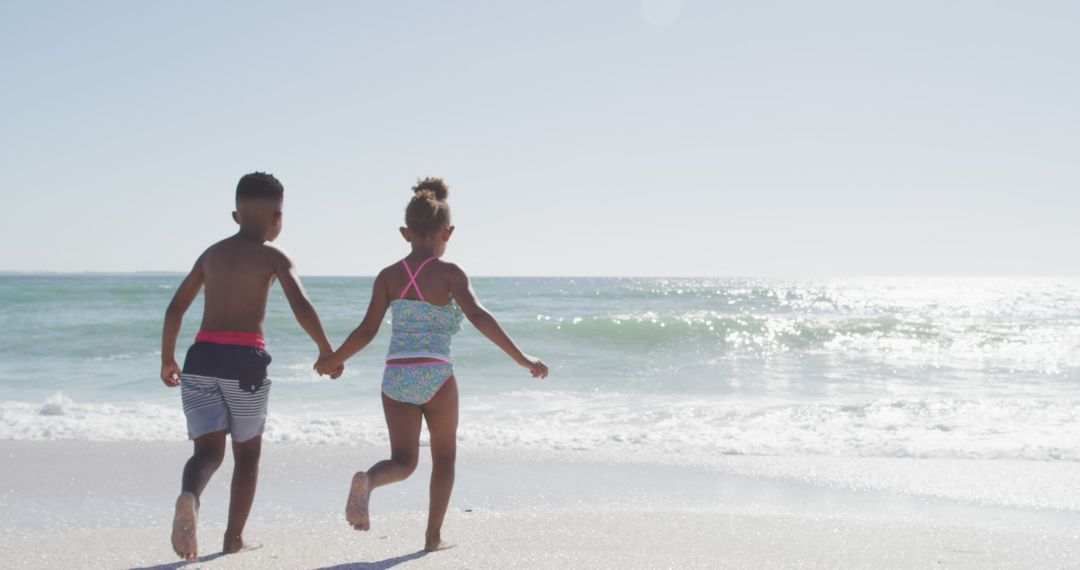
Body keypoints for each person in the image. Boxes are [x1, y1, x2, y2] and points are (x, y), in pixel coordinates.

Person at [315, 177, 548, 551]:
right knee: (444, 458)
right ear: (448, 232)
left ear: (406, 233)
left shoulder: (388, 277)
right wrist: (522, 358)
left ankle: (370, 480)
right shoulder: (451, 273)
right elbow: (479, 317)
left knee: (403, 461)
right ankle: (432, 537)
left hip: (396, 376)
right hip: (436, 374)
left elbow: (366, 330)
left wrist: (333, 360)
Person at [160, 172, 341, 562]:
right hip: (245, 364)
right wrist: (326, 350)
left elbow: (176, 307)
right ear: (278, 217)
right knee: (247, 455)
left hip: (201, 359)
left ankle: (189, 496)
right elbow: (301, 305)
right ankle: (233, 538)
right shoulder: (274, 257)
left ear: (235, 216)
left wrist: (167, 358)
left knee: (207, 452)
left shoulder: (211, 254)